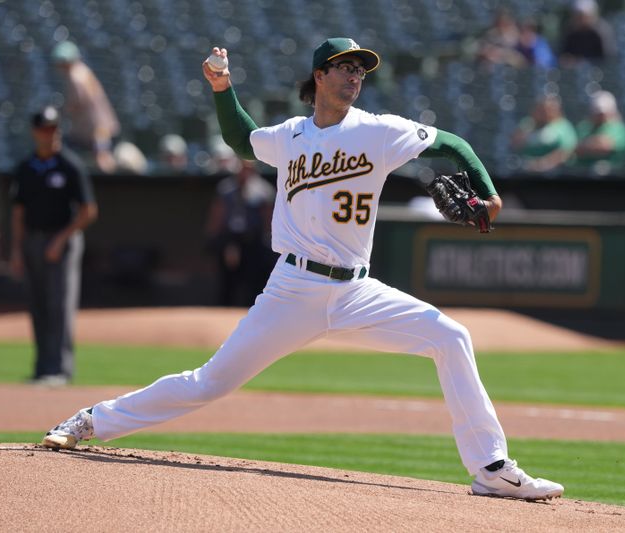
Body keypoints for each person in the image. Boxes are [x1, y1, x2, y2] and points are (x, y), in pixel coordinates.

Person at [41, 38, 564, 502]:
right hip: (293, 288)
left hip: (358, 292)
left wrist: (489, 194)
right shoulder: (290, 136)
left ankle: (491, 468)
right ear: (319, 76)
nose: (356, 75)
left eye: (361, 69)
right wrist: (222, 86)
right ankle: (91, 422)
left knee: (450, 337)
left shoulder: (380, 132)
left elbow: (455, 145)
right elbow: (240, 139)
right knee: (209, 383)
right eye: (345, 67)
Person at [9, 106, 98, 386]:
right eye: (46, 129)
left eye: (55, 128)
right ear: (36, 132)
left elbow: (88, 210)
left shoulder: (70, 165)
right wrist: (16, 249)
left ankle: (59, 369)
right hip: (33, 240)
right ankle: (41, 368)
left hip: (63, 241)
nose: (51, 134)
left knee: (60, 303)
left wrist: (62, 239)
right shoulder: (26, 168)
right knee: (37, 303)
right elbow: (18, 211)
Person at [205, 155, 276, 306]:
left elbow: (268, 218)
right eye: (243, 168)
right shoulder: (226, 188)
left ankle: (251, 310)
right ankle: (222, 311)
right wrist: (213, 235)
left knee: (254, 279)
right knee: (227, 279)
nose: (245, 172)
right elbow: (218, 213)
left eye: (249, 169)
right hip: (229, 239)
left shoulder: (263, 190)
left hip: (253, 241)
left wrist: (269, 240)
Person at [51, 41, 121, 174]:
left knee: (102, 158)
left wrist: (63, 111)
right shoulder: (83, 70)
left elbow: (77, 102)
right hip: (99, 126)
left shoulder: (75, 76)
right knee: (102, 156)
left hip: (94, 128)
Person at [510, 95, 577, 172]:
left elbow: (566, 152)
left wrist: (541, 165)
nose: (546, 112)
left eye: (550, 109)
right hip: (525, 168)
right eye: (542, 109)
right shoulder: (529, 123)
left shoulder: (563, 126)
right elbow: (515, 143)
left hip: (554, 170)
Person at [571, 90, 625, 173]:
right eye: (597, 112)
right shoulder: (584, 126)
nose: (601, 116)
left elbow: (605, 147)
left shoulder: (618, 128)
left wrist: (586, 145)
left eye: (603, 113)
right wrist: (596, 143)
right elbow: (572, 147)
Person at [558, 0, 617, 66]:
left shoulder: (601, 33)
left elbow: (607, 59)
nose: (579, 19)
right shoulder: (571, 32)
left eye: (581, 16)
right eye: (577, 16)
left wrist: (580, 61)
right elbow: (564, 54)